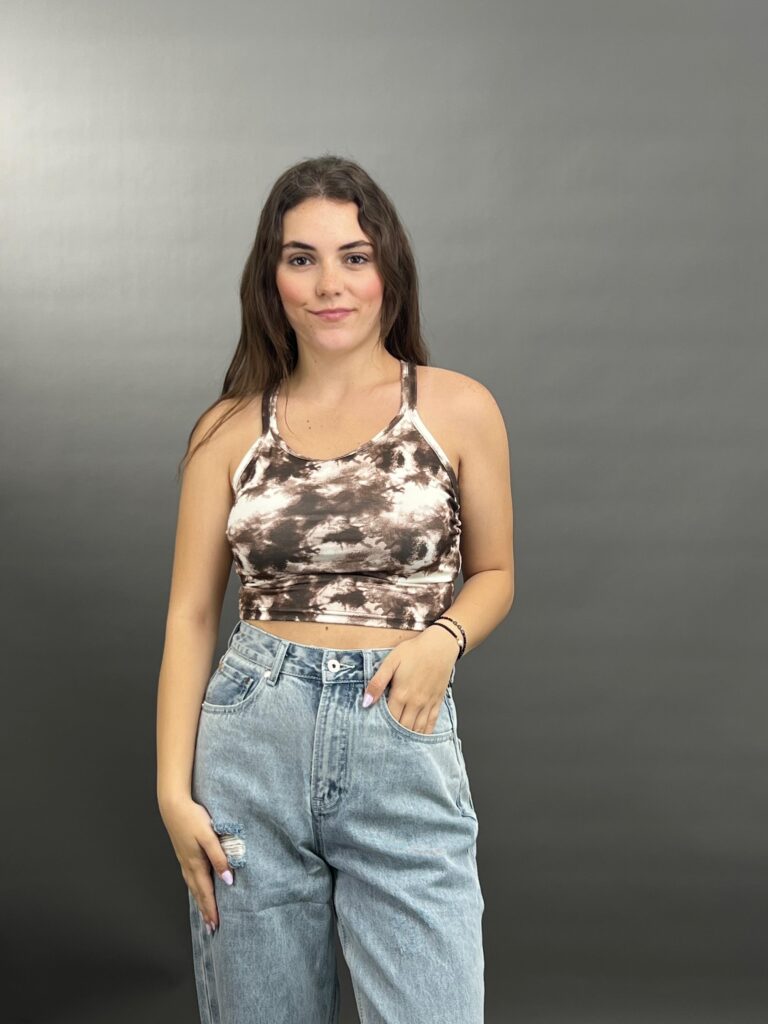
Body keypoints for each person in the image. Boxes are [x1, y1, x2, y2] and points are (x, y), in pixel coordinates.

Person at [156, 154, 515, 1024]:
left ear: (389, 268)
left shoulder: (458, 408)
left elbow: (495, 574)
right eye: (301, 258)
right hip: (251, 740)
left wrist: (444, 639)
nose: (330, 284)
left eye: (355, 256)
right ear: (271, 277)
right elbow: (191, 615)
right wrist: (171, 791)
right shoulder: (228, 428)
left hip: (399, 729)